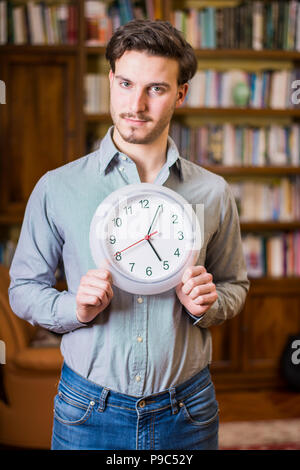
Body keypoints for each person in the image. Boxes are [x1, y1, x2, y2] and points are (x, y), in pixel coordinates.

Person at [8, 19, 249, 450]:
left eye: (155, 88)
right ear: (110, 81)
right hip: (87, 410)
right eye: (125, 83)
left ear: (180, 93)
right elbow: (23, 289)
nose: (136, 103)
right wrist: (74, 308)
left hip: (187, 410)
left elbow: (236, 286)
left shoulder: (211, 192)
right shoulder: (58, 186)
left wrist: (208, 305)